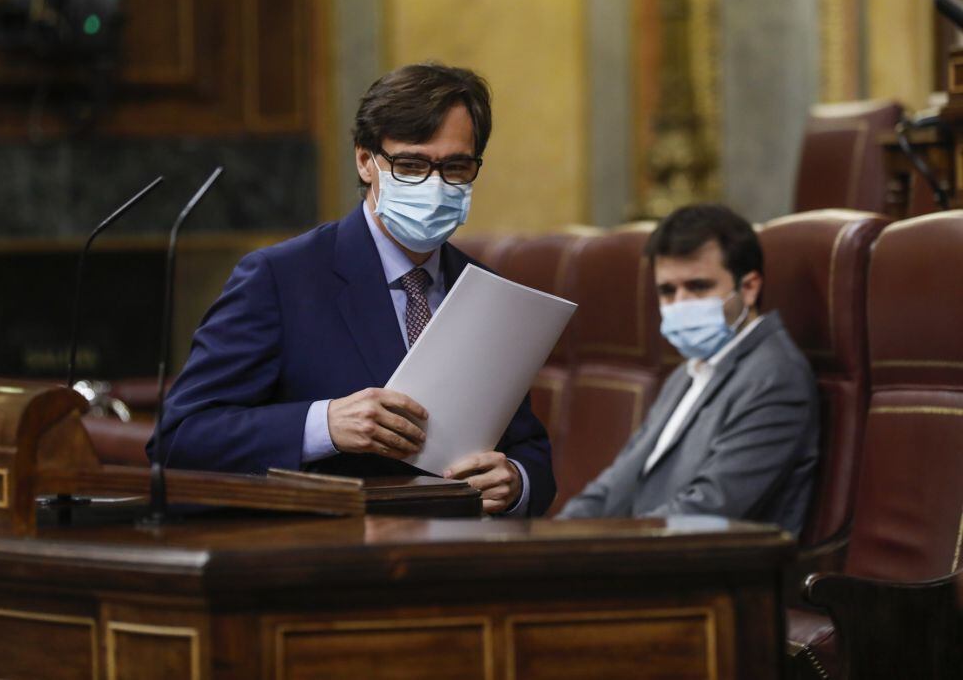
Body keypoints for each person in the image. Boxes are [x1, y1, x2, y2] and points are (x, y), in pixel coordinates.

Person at [151, 63, 555, 516]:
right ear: (366, 160)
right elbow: (180, 436)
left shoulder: (488, 293)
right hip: (325, 556)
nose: (435, 184)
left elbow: (529, 449)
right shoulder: (280, 278)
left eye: (456, 167)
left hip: (456, 560)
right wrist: (322, 424)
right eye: (412, 164)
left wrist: (516, 482)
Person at [558, 204, 817, 535]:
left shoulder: (776, 378)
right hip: (646, 557)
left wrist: (599, 549)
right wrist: (550, 539)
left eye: (698, 286)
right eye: (667, 290)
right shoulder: (687, 372)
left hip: (710, 577)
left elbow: (709, 509)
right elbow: (614, 485)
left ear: (749, 288)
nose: (680, 303)